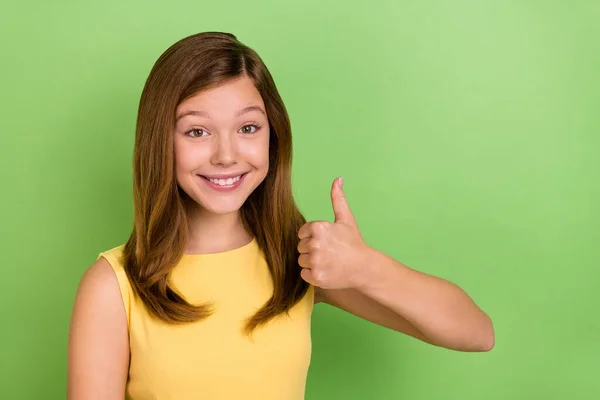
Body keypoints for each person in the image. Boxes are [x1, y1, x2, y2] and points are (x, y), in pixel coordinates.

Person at [67, 31, 494, 400]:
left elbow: (475, 333)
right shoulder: (114, 285)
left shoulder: (299, 259)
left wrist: (367, 268)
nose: (226, 155)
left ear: (273, 136)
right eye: (197, 131)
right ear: (161, 141)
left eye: (248, 128)